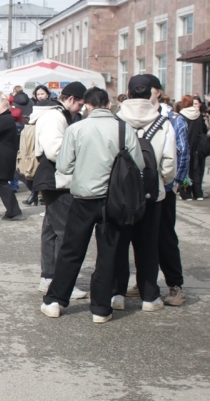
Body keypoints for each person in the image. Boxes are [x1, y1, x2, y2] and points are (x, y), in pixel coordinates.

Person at [41, 88, 144, 323]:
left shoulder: (76, 128)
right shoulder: (123, 128)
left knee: (71, 250)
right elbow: (138, 163)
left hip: (83, 197)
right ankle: (100, 308)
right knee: (109, 254)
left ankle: (55, 300)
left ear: (87, 105)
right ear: (108, 104)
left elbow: (65, 166)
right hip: (115, 199)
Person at [115, 74, 176, 312]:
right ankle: (150, 297)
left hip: (121, 194)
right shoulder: (163, 122)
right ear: (152, 93)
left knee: (119, 243)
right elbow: (170, 164)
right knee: (148, 245)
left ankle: (117, 294)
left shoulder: (117, 120)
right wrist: (161, 181)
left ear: (128, 94)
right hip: (152, 194)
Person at [29, 81, 87, 296]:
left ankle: (49, 277)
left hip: (50, 177)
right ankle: (63, 282)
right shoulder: (55, 116)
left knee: (52, 229)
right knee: (65, 231)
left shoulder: (54, 114)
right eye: (79, 104)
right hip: (57, 178)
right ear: (70, 99)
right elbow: (55, 150)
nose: (80, 109)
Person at [159, 93, 190, 307]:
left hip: (166, 188)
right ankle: (145, 283)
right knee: (141, 239)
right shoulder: (130, 118)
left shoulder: (175, 120)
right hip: (139, 190)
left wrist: (175, 182)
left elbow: (183, 152)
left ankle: (175, 285)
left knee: (166, 238)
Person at [180, 94, 207, 201]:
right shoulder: (199, 116)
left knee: (185, 170)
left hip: (185, 146)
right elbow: (204, 130)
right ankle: (198, 193)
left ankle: (186, 193)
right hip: (197, 148)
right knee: (196, 170)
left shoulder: (181, 116)